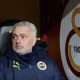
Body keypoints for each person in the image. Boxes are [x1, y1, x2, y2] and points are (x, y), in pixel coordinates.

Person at [0, 21, 65, 80]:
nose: (17, 41)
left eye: (23, 36)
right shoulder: (2, 64)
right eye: (14, 37)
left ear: (34, 41)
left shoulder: (48, 62)